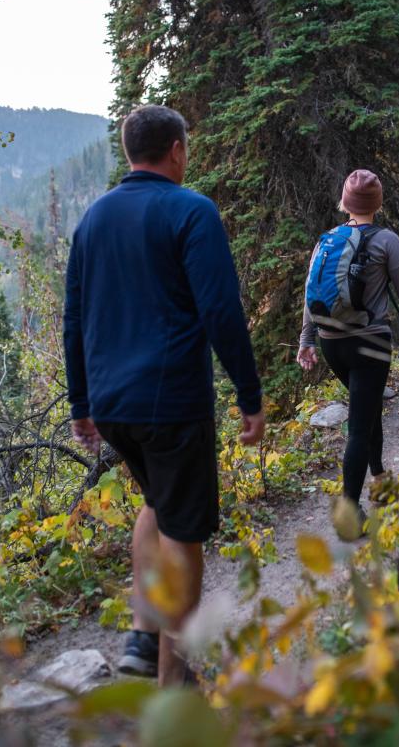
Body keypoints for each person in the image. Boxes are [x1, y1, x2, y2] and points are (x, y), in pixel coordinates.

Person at [64, 104, 265, 686]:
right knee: (185, 533)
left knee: (157, 504)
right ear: (176, 149)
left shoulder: (94, 218)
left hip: (113, 405)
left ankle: (142, 636)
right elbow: (221, 311)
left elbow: (74, 317)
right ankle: (174, 680)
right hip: (171, 402)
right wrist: (249, 396)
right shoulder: (191, 210)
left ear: (130, 152)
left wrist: (82, 404)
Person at [297, 169, 399, 524]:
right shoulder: (386, 240)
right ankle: (349, 513)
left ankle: (379, 477)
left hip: (332, 345)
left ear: (345, 203)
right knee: (359, 426)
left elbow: (310, 294)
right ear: (377, 203)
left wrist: (306, 340)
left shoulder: (326, 239)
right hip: (370, 343)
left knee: (368, 406)